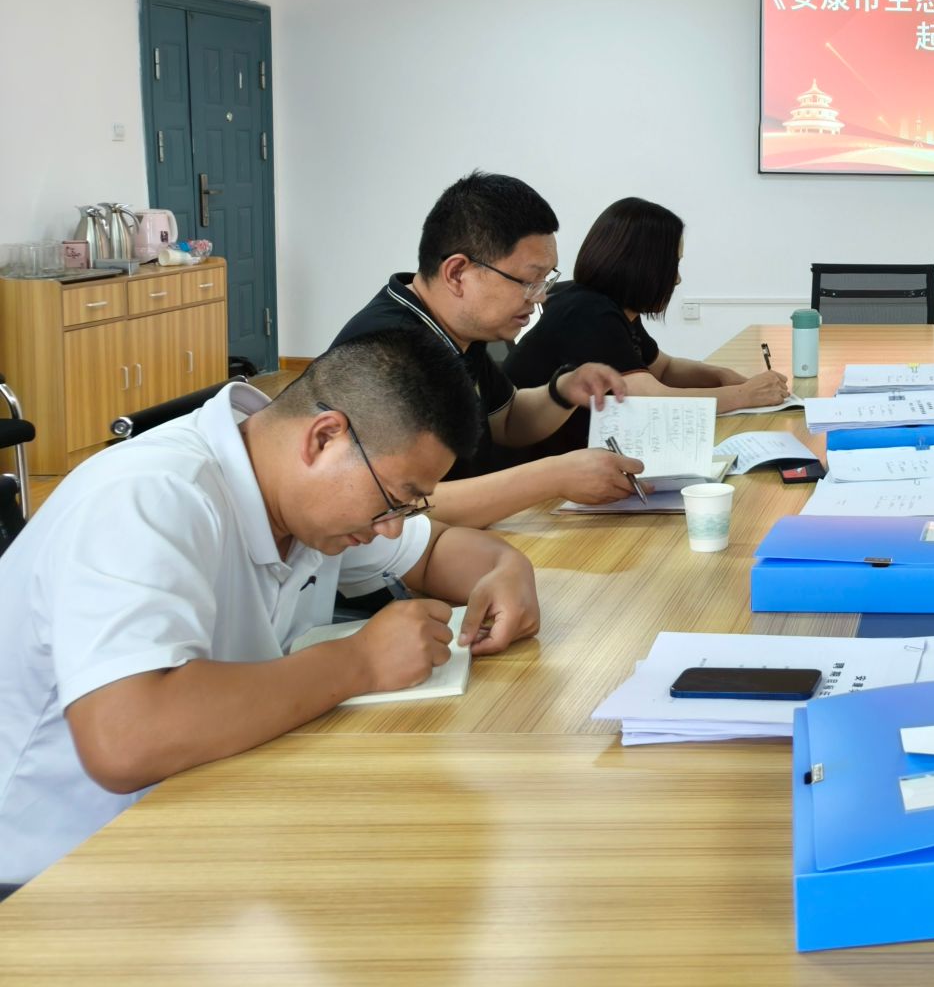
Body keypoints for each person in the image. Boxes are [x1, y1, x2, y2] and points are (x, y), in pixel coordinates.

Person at [0, 331, 542, 887]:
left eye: (409, 506)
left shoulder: (302, 499)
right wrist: (359, 662)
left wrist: (505, 570)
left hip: (201, 816)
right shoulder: (150, 497)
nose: (391, 527)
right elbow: (124, 739)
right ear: (324, 438)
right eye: (392, 500)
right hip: (49, 871)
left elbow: (433, 551)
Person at [329, 172, 644, 527]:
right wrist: (553, 477)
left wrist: (563, 391)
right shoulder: (383, 352)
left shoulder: (460, 331)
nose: (540, 296)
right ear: (457, 273)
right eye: (529, 281)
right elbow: (392, 505)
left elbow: (506, 420)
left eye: (546, 280)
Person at [505, 197, 789, 457]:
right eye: (673, 265)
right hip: (534, 466)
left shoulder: (614, 307)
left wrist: (720, 375)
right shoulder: (587, 311)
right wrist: (744, 395)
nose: (676, 279)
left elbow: (663, 368)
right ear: (643, 264)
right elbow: (653, 401)